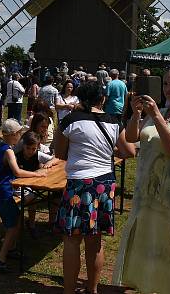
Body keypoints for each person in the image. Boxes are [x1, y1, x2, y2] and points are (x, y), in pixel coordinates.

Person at [113, 64, 170, 294]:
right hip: (148, 190)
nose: (167, 88)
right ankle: (145, 285)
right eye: (165, 83)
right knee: (146, 240)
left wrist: (155, 115)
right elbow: (133, 137)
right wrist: (136, 115)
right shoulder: (161, 112)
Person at [54, 80, 135, 294]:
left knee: (72, 239)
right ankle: (92, 289)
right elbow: (128, 151)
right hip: (104, 183)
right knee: (95, 239)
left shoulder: (70, 120)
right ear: (103, 98)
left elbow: (59, 153)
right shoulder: (115, 121)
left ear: (80, 99)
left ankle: (68, 291)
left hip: (78, 183)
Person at [0, 119, 46, 271]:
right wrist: (37, 175)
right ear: (13, 134)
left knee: (18, 220)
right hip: (4, 191)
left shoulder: (2, 146)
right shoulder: (8, 151)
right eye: (19, 133)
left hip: (0, 189)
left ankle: (11, 249)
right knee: (13, 225)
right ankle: (1, 259)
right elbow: (17, 172)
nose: (21, 136)